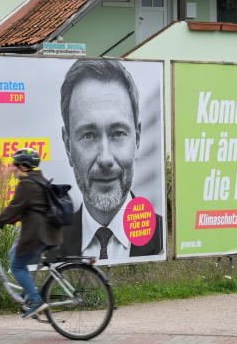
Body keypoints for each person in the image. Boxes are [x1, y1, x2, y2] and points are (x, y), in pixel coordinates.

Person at [55, 59, 163, 260]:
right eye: (88, 135)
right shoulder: (45, 251)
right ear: (68, 146)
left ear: (137, 139)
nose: (105, 158)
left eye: (118, 133)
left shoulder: (164, 239)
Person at [0, 147, 63, 318]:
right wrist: (8, 219)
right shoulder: (38, 180)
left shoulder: (27, 183)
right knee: (13, 254)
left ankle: (36, 300)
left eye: (15, 165)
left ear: (24, 166)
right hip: (46, 231)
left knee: (16, 266)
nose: (12, 168)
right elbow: (28, 208)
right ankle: (30, 293)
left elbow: (13, 208)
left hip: (37, 234)